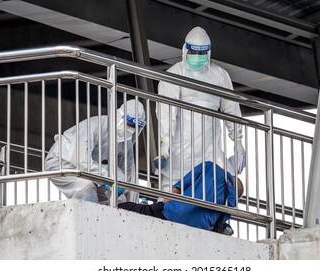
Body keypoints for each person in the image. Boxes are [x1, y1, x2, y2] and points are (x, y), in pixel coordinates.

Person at [156, 26, 246, 194]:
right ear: (185, 51)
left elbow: (231, 110)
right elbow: (167, 109)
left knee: (216, 189)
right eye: (193, 54)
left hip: (210, 149)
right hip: (180, 149)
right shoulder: (174, 73)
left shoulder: (220, 76)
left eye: (201, 54)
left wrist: (238, 139)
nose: (197, 58)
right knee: (172, 194)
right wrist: (165, 138)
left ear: (208, 53)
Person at [45, 99, 146, 204]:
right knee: (85, 187)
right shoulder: (96, 125)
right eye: (129, 124)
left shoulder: (125, 142)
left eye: (135, 126)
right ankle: (86, 219)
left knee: (118, 198)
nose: (131, 129)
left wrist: (133, 204)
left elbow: (129, 173)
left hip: (87, 171)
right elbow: (79, 159)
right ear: (120, 117)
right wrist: (107, 179)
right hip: (61, 162)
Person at [118, 161, 243, 235]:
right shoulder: (231, 205)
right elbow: (218, 225)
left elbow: (178, 188)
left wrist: (164, 202)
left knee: (133, 209)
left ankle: (114, 205)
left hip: (174, 213)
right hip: (197, 230)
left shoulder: (211, 167)